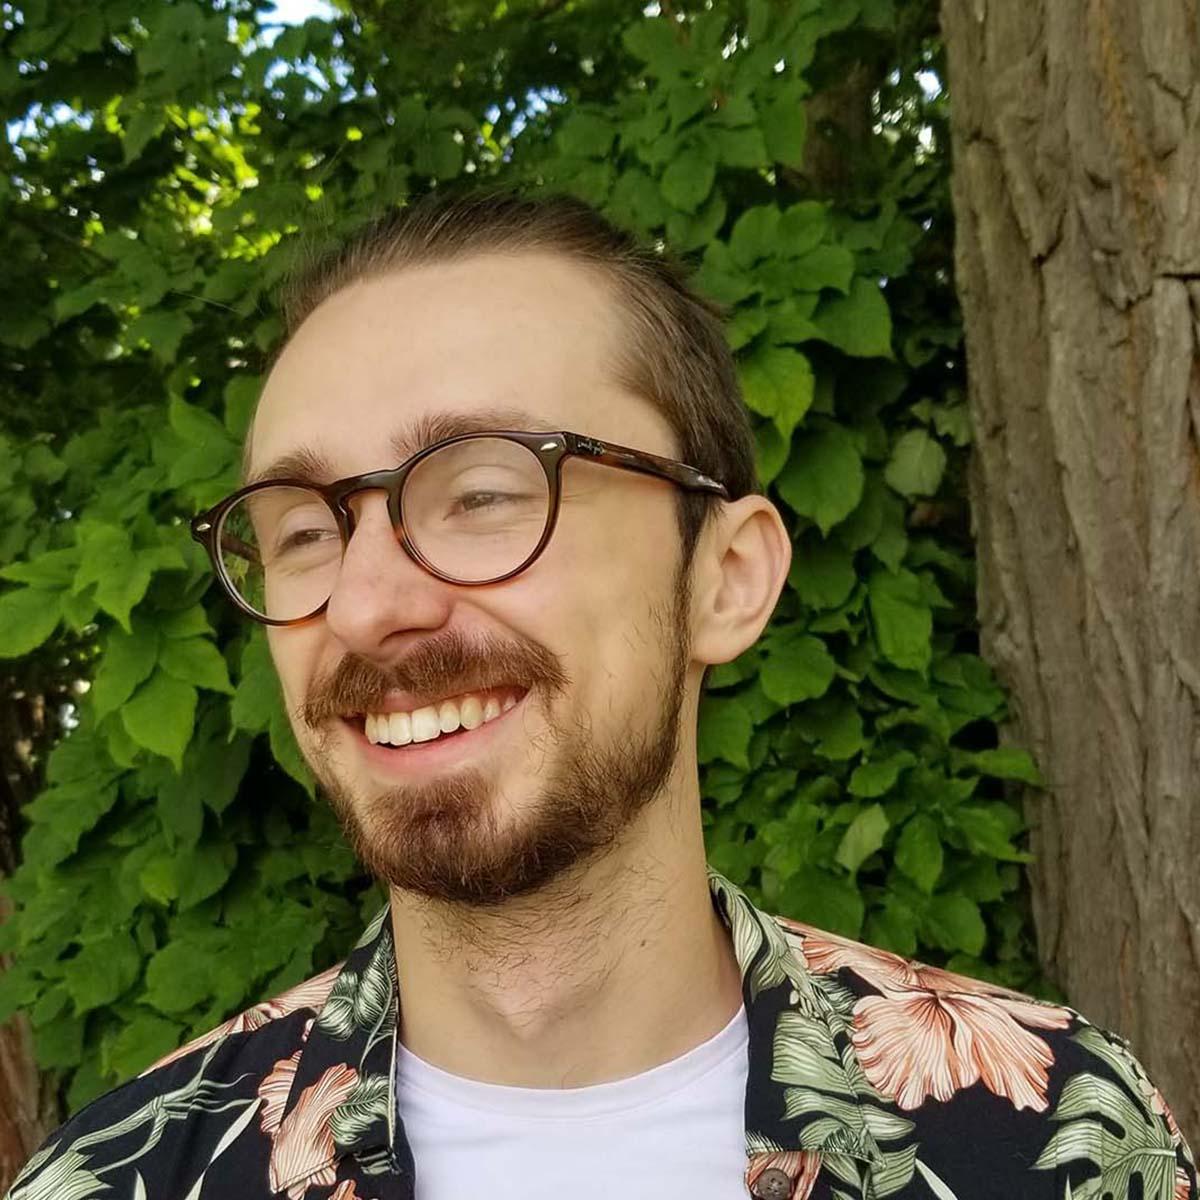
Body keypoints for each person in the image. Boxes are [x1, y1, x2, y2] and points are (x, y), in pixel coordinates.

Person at [7, 192, 1195, 1200]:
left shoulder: (1055, 1142)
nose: (365, 607)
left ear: (726, 579)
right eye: (307, 529)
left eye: (481, 493)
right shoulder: (124, 1176)